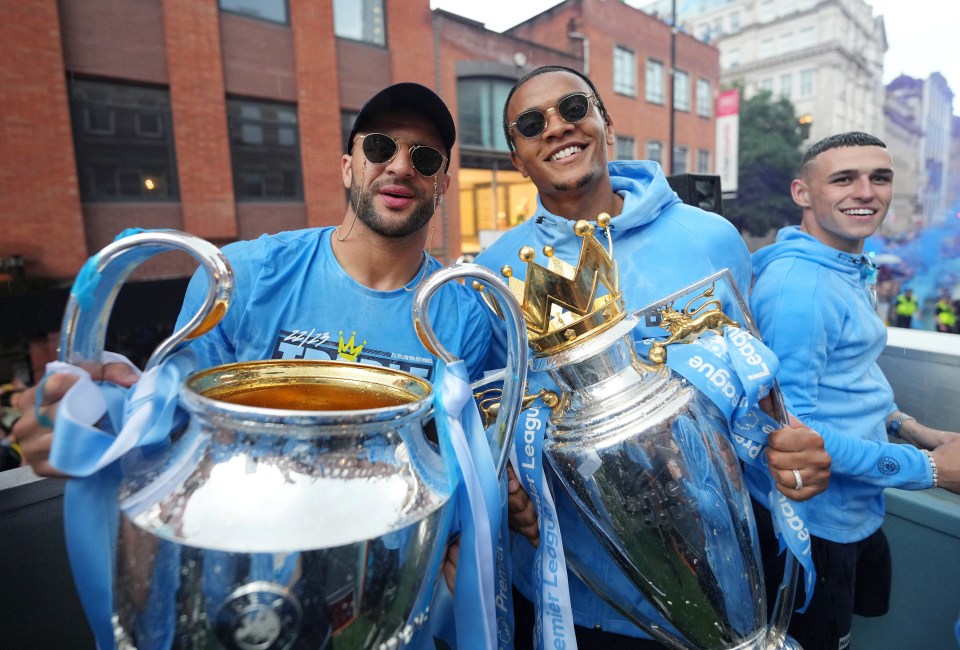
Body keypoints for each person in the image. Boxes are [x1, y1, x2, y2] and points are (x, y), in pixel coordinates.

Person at [10, 82, 495, 644]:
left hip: (382, 595)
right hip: (243, 587)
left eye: (425, 157)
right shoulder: (245, 275)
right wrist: (97, 424)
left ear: (442, 184)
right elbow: (173, 437)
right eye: (381, 147)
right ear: (348, 166)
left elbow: (457, 458)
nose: (401, 167)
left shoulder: (463, 314)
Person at [475, 65, 832, 649]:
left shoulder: (709, 237)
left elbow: (761, 394)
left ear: (604, 123)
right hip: (585, 599)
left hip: (727, 569)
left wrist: (792, 449)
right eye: (532, 124)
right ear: (517, 157)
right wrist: (509, 485)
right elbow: (497, 412)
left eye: (573, 108)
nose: (557, 128)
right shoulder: (498, 272)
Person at [748, 131, 960, 650]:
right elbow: (790, 432)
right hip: (812, 529)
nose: (865, 191)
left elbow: (852, 379)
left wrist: (911, 428)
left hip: (858, 508)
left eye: (879, 177)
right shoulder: (802, 287)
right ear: (803, 193)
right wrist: (929, 470)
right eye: (844, 178)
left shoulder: (845, 265)